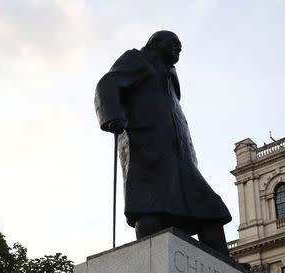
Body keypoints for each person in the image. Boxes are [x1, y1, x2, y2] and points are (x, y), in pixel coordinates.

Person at [95, 31, 232, 256]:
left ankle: (223, 259)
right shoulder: (136, 59)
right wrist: (112, 115)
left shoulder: (170, 73)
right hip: (146, 144)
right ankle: (148, 257)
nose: (179, 49)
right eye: (174, 44)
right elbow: (107, 84)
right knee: (149, 203)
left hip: (180, 153)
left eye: (181, 46)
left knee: (207, 204)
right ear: (156, 43)